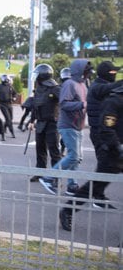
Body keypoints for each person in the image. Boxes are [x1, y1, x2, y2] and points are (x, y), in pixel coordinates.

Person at [60, 82, 123, 231]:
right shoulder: (114, 102)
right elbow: (107, 129)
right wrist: (118, 148)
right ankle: (68, 210)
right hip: (113, 154)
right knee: (94, 187)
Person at [39, 59, 93, 195]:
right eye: (86, 71)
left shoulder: (83, 85)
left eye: (88, 72)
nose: (87, 74)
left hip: (78, 125)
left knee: (77, 157)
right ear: (79, 71)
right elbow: (64, 104)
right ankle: (49, 178)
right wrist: (82, 105)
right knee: (74, 156)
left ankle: (72, 185)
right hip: (68, 125)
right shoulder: (70, 84)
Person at [27, 64, 61, 183]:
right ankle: (40, 173)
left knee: (54, 151)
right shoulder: (39, 88)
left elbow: (64, 102)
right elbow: (35, 106)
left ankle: (55, 177)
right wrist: (31, 121)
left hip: (53, 123)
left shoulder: (55, 88)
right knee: (40, 149)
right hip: (40, 123)